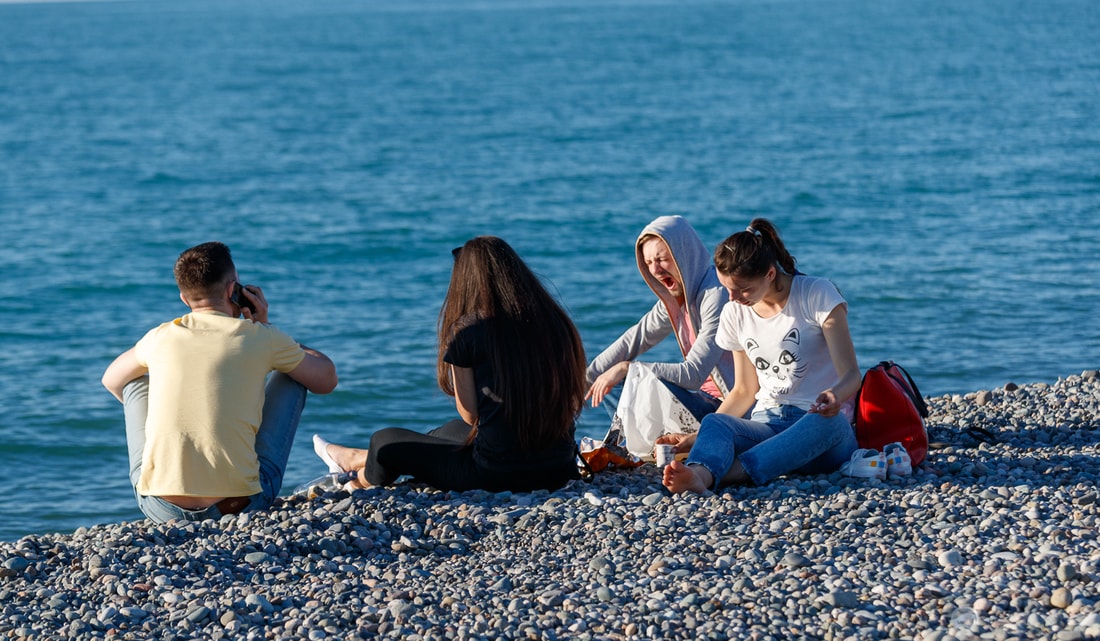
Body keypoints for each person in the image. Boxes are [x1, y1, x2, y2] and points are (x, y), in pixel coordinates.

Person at [313, 235, 587, 493]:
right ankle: (358, 458)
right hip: (558, 469)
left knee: (384, 441)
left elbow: (471, 414)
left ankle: (357, 479)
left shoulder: (468, 331)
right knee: (447, 432)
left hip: (496, 474)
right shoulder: (556, 322)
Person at [102, 241, 338, 522]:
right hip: (240, 506)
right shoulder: (261, 337)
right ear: (232, 291)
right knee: (293, 372)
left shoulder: (160, 337)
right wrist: (268, 327)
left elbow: (112, 380)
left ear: (184, 298)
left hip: (161, 509)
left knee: (134, 383)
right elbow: (326, 380)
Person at [661, 218, 861, 494]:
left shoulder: (817, 294)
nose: (732, 298)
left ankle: (731, 473)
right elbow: (744, 390)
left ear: (769, 274)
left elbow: (851, 375)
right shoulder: (734, 312)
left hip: (818, 428)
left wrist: (835, 396)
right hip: (766, 425)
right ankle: (699, 473)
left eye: (743, 289)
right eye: (726, 288)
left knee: (827, 422)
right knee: (715, 422)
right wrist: (700, 437)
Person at [585, 215, 734, 452]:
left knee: (629, 376)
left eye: (662, 259)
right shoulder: (676, 299)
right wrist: (583, 382)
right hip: (700, 402)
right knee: (609, 381)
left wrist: (628, 369)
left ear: (684, 254)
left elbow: (694, 375)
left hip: (729, 411)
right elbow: (634, 339)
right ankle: (625, 447)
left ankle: (632, 447)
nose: (655, 269)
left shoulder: (716, 295)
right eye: (648, 262)